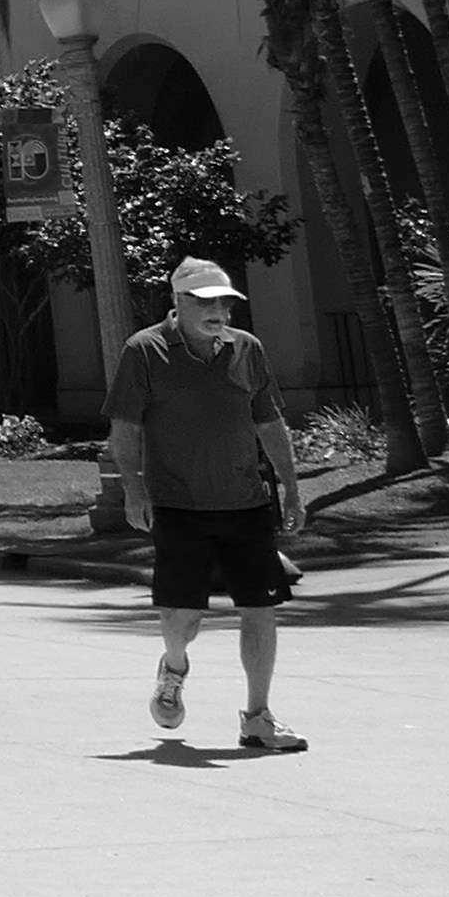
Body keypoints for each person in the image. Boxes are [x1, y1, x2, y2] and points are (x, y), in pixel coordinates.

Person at [109, 256, 307, 754]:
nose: (217, 310)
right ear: (177, 302)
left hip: (245, 501)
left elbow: (269, 422)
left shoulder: (247, 350)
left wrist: (291, 486)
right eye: (204, 301)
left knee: (260, 608)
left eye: (223, 301)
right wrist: (133, 489)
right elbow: (126, 427)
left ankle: (258, 718)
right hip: (177, 504)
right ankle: (173, 668)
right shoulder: (145, 351)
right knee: (184, 616)